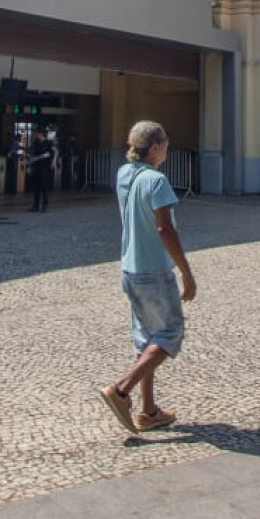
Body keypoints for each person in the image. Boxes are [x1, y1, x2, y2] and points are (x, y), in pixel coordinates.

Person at [99, 121, 196, 435]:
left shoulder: (124, 174)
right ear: (154, 146)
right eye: (165, 141)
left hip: (130, 268)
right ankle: (121, 390)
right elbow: (165, 229)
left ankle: (149, 411)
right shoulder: (156, 181)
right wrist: (186, 271)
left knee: (147, 339)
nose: (168, 145)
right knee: (170, 334)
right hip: (154, 270)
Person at [27, 133, 57, 212]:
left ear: (41, 134)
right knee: (36, 187)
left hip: (45, 167)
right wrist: (30, 165)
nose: (36, 136)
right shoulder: (36, 143)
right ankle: (35, 206)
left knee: (44, 187)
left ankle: (45, 205)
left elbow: (56, 151)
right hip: (37, 166)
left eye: (37, 134)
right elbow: (33, 155)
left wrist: (54, 161)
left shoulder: (48, 143)